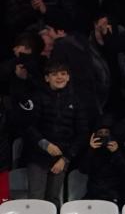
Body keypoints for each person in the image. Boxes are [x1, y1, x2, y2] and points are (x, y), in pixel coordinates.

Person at [24, 61, 89, 206]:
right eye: (54, 74)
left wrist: (65, 159)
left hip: (61, 157)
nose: (59, 77)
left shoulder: (76, 100)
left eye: (63, 74)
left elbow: (82, 133)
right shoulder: (37, 97)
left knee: (53, 199)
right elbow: (28, 126)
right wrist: (45, 145)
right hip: (37, 156)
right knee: (36, 198)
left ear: (68, 77)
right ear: (47, 78)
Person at [79, 117, 125, 203]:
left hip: (115, 195)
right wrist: (91, 150)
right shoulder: (91, 150)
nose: (103, 135)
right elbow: (83, 169)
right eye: (100, 133)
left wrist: (116, 152)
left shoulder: (121, 149)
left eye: (106, 132)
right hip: (93, 195)